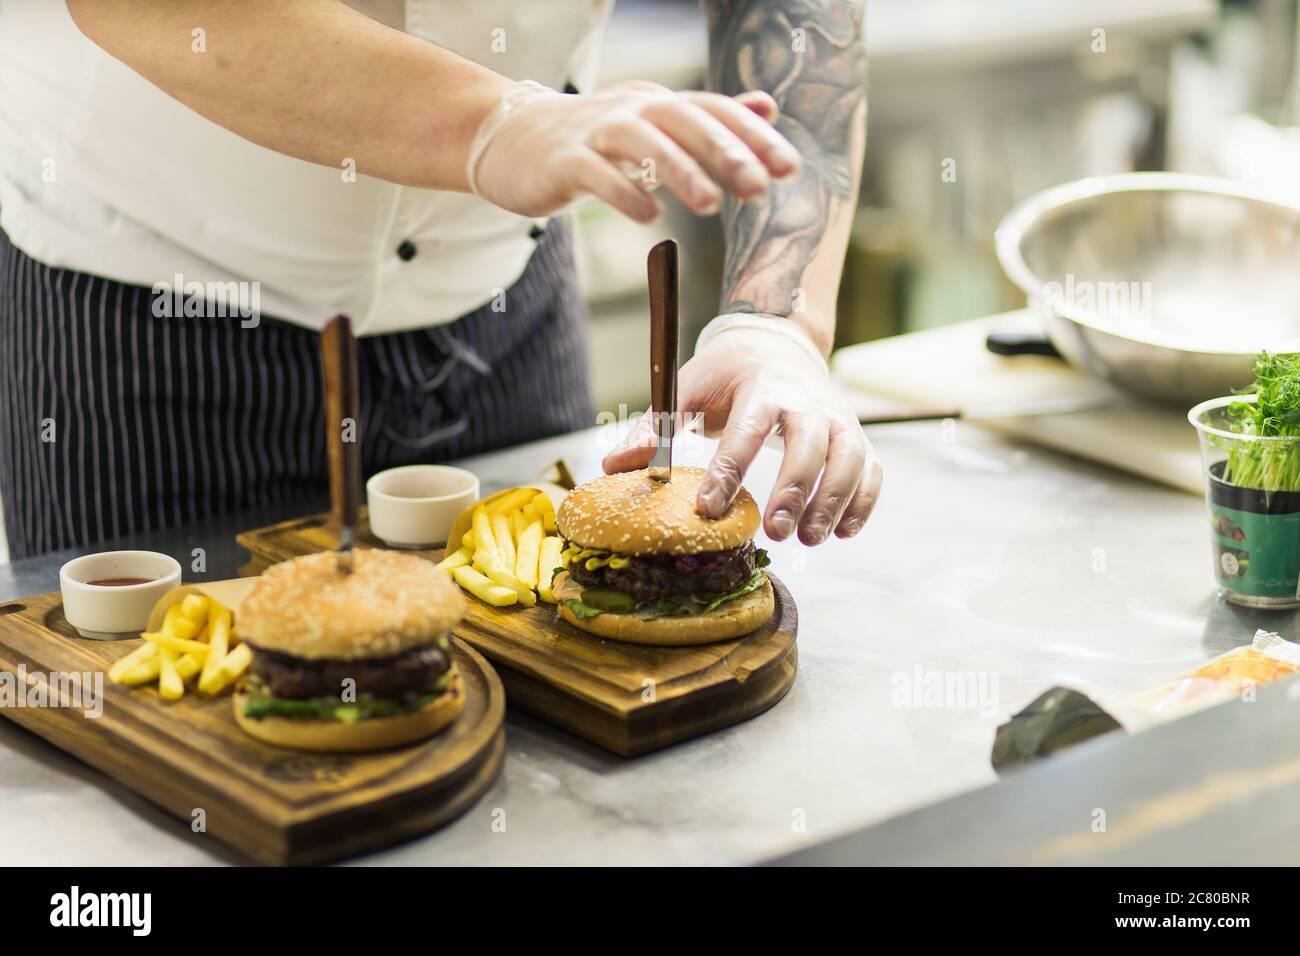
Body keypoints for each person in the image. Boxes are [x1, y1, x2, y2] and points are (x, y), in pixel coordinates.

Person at [0, 0, 881, 561]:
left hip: (507, 301)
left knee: (552, 745)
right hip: (145, 322)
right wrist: (492, 125)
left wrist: (777, 320)